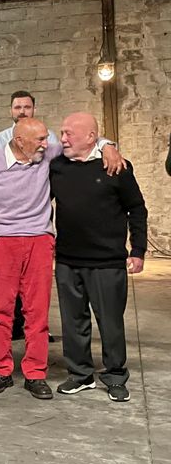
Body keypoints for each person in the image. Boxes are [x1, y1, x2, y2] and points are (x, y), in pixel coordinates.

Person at [0, 118, 124, 399]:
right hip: (2, 241)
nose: (48, 145)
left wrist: (108, 146)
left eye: (47, 139)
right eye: (41, 140)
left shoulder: (46, 154)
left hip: (39, 240)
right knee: (1, 310)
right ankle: (1, 370)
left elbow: (83, 143)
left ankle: (35, 373)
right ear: (19, 140)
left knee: (37, 311)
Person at [51, 112, 147, 402]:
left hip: (107, 262)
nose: (63, 138)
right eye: (62, 133)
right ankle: (80, 375)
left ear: (91, 137)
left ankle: (115, 375)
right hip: (67, 260)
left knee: (110, 323)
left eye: (69, 133)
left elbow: (137, 208)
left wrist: (138, 250)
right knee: (73, 322)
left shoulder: (116, 166)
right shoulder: (57, 166)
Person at [0, 90, 58, 342]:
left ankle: (36, 328)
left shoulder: (45, 138)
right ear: (11, 110)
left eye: (26, 107)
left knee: (36, 285)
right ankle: (15, 326)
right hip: (7, 222)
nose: (22, 111)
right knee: (8, 284)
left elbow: (70, 150)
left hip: (36, 218)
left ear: (34, 109)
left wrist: (106, 145)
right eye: (17, 107)